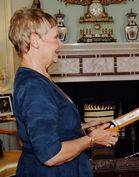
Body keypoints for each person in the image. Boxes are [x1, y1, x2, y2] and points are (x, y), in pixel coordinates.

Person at [8, 8, 119, 177]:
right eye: (55, 37)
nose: (60, 43)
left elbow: (48, 129)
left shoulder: (38, 79)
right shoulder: (34, 86)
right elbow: (51, 155)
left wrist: (84, 128)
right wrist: (92, 140)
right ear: (35, 41)